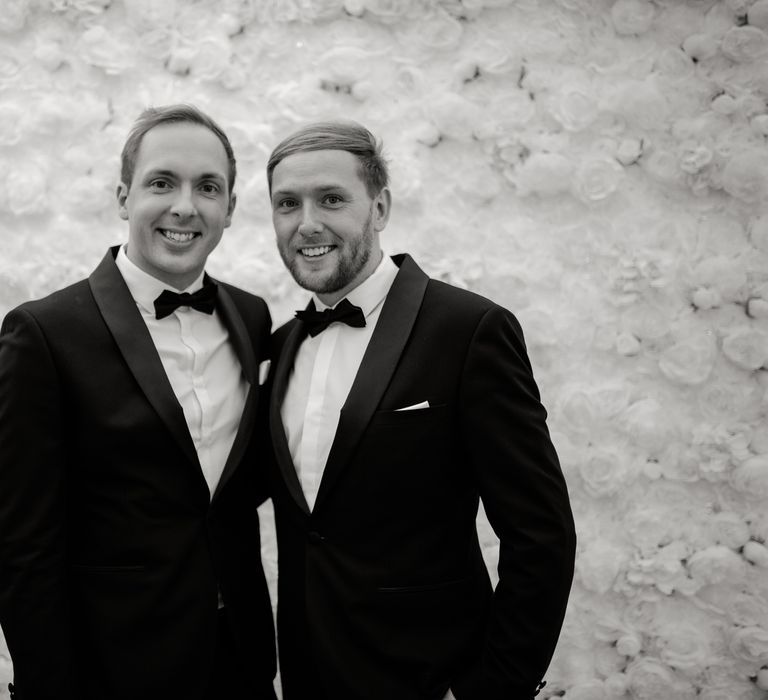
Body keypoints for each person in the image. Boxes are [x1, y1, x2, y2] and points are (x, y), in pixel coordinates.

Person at [264, 120, 577, 700]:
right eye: (288, 204)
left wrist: (493, 688)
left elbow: (541, 534)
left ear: (379, 207)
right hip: (308, 679)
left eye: (331, 199)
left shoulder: (469, 330)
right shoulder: (281, 347)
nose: (306, 223)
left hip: (432, 679)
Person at [0, 104, 276, 700]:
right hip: (110, 665)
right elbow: (22, 541)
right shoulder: (43, 333)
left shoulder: (252, 317)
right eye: (161, 182)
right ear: (124, 197)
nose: (185, 206)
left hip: (239, 657)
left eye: (208, 187)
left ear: (229, 208)